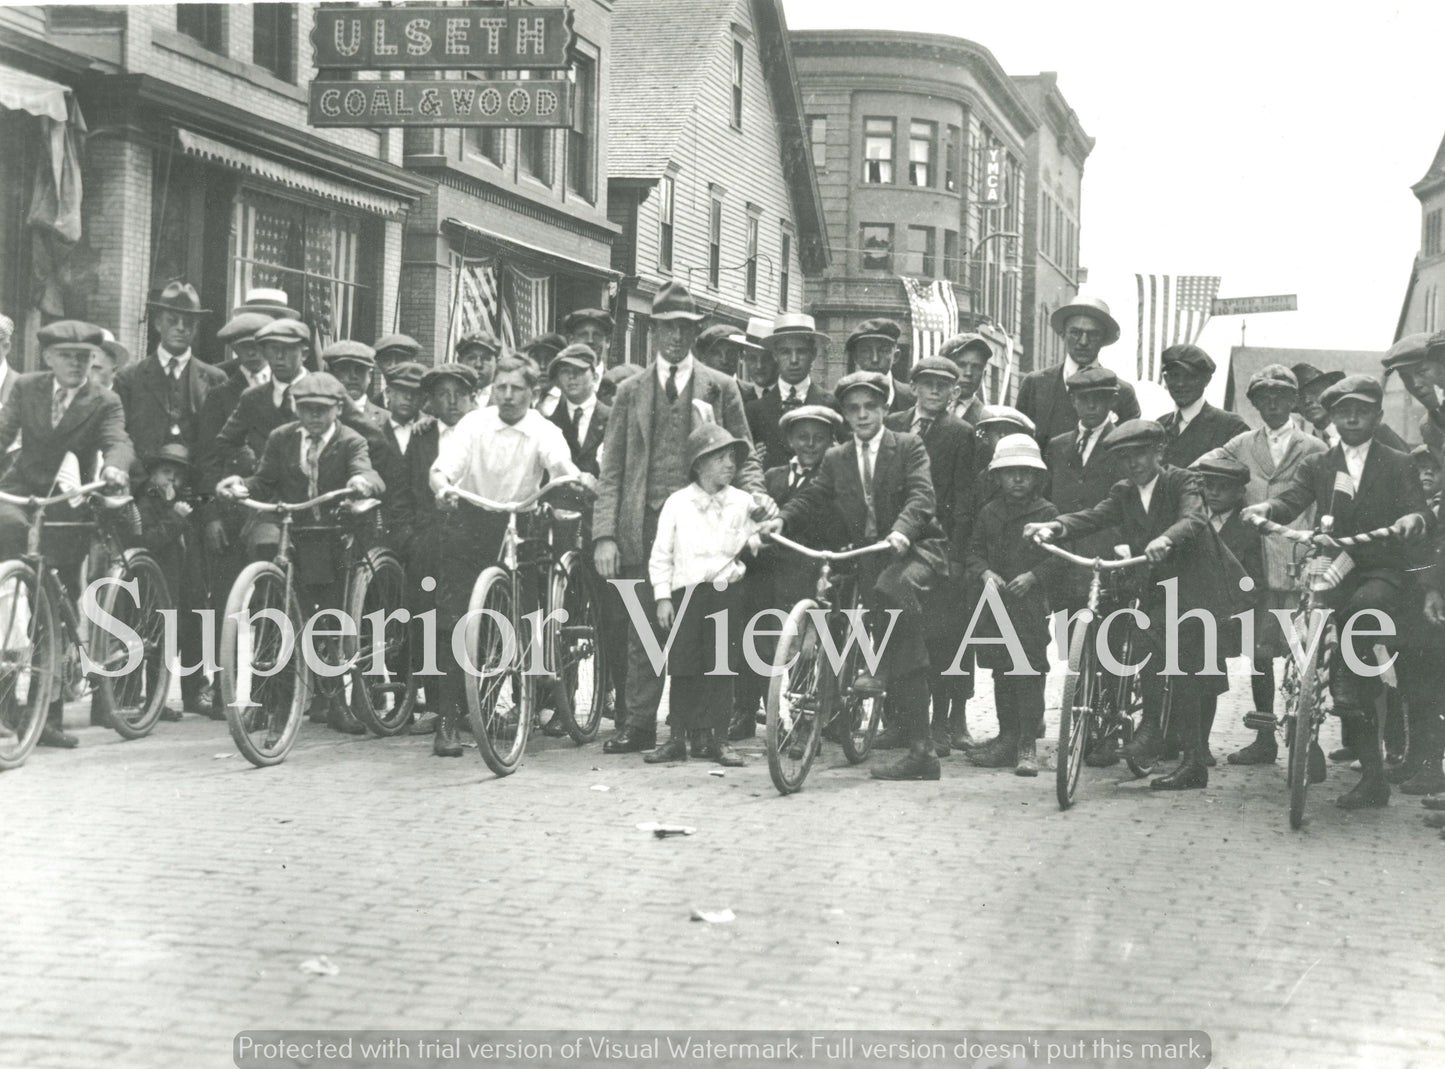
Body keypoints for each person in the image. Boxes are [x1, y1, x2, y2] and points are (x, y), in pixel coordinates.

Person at [593, 282, 771, 755]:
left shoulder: (720, 386)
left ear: (694, 332)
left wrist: (755, 498)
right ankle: (639, 724)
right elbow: (611, 468)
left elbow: (746, 456)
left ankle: (697, 729)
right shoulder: (630, 392)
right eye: (668, 327)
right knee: (644, 627)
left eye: (685, 328)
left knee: (705, 628)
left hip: (706, 527)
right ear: (654, 330)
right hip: (645, 522)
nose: (676, 337)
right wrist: (605, 535)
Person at [1243, 375, 1436, 808]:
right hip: (1337, 559)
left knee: (1364, 614)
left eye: (1362, 410)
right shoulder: (1320, 465)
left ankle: (1370, 771)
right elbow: (1292, 500)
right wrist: (1267, 508)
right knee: (1309, 606)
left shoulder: (1398, 461)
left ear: (1377, 416)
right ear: (1331, 418)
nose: (1351, 418)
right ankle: (1307, 687)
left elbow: (1419, 510)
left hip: (1380, 565)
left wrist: (1413, 520)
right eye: (1343, 411)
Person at [1027, 420, 1248, 791]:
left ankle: (1156, 735)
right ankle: (1188, 758)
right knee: (1179, 665)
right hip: (1161, 586)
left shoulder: (1183, 481)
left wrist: (1165, 538)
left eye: (1141, 456)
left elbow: (1194, 518)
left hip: (1198, 586)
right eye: (1125, 458)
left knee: (1167, 652)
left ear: (1158, 453)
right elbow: (1096, 516)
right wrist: (1057, 527)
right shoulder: (1124, 492)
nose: (1134, 465)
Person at [764, 370, 950, 781]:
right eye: (853, 409)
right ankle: (829, 693)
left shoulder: (907, 445)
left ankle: (921, 748)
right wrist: (782, 519)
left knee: (893, 593)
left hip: (914, 549)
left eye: (870, 407)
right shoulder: (837, 457)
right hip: (867, 555)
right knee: (834, 594)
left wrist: (902, 530)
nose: (862, 415)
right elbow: (814, 496)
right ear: (845, 416)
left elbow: (922, 496)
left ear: (885, 408)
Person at [430, 354, 593, 757]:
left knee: (525, 618)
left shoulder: (544, 430)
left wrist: (573, 480)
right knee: (455, 619)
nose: (507, 395)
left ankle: (527, 703)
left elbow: (560, 465)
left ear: (533, 393)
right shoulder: (473, 424)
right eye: (500, 387)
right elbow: (444, 467)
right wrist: (443, 486)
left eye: (516, 389)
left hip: (521, 525)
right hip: (472, 522)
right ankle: (448, 722)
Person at [215, 372, 384, 736]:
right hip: (292, 533)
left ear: (338, 409)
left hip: (332, 534)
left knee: (331, 620)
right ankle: (269, 705)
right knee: (275, 618)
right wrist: (242, 485)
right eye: (306, 409)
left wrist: (360, 482)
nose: (314, 417)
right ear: (296, 408)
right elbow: (266, 480)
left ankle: (337, 701)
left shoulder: (350, 440)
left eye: (322, 410)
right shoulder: (282, 438)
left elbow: (366, 470)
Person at [0, 320, 135, 747]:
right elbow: (3, 433)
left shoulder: (104, 399)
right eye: (68, 356)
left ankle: (50, 716)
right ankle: (11, 704)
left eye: (84, 357)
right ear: (48, 358)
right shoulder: (28, 388)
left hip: (71, 503)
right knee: (11, 592)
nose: (77, 364)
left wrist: (115, 467)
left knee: (55, 605)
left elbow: (119, 441)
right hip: (24, 493)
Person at [1194, 364, 1327, 766]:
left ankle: (1310, 740)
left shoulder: (1314, 447)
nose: (1272, 404)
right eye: (1263, 398)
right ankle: (1265, 738)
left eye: (1280, 396)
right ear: (1254, 404)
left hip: (1301, 562)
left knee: (1306, 656)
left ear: (1293, 401)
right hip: (1254, 563)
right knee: (1261, 653)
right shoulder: (1240, 445)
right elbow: (1199, 469)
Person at [647, 424, 763, 768]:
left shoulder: (744, 503)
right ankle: (676, 739)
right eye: (720, 458)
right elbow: (661, 554)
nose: (730, 465)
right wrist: (663, 597)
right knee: (683, 667)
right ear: (698, 465)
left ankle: (720, 740)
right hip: (686, 595)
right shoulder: (678, 503)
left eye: (732, 458)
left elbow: (756, 541)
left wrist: (763, 528)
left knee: (722, 669)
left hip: (726, 595)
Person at [729, 403, 845, 742]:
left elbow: (836, 528)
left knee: (804, 643)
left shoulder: (833, 479)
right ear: (791, 440)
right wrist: (753, 541)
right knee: (749, 629)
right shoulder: (773, 477)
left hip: (808, 569)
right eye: (802, 437)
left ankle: (804, 717)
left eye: (818, 438)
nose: (810, 444)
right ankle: (746, 709)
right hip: (767, 568)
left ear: (829, 442)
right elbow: (752, 521)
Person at [885, 355, 976, 754]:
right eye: (927, 383)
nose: (935, 391)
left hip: (938, 547)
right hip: (897, 542)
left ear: (955, 391)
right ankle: (898, 721)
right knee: (893, 630)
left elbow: (965, 499)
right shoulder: (892, 425)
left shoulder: (961, 433)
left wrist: (956, 556)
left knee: (940, 637)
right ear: (914, 386)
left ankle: (940, 722)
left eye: (943, 385)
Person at [964, 434, 1060, 775]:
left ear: (1036, 477)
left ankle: (1027, 744)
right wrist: (986, 571)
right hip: (995, 607)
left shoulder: (1047, 513)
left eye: (1025, 472)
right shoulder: (990, 512)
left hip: (1029, 608)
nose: (1017, 479)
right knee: (1002, 671)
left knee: (1029, 672)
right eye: (1009, 473)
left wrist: (1034, 576)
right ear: (997, 477)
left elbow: (1059, 558)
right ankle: (1006, 737)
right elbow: (973, 552)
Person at [391, 363, 478, 737]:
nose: (453, 401)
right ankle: (438, 705)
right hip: (429, 544)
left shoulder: (481, 432)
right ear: (432, 402)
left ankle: (473, 706)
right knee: (427, 622)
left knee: (469, 623)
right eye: (444, 394)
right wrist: (409, 538)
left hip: (471, 541)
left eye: (460, 393)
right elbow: (404, 492)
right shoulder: (422, 437)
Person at [1190, 455, 1269, 770]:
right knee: (1196, 659)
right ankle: (1193, 743)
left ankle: (1263, 737)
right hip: (1199, 610)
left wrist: (1234, 607)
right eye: (1209, 486)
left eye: (1224, 487)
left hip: (1238, 612)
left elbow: (1255, 580)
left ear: (1240, 493)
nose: (1215, 493)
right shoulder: (1195, 519)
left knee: (1259, 659)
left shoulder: (1249, 528)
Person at [1043, 366, 1126, 620]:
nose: (1091, 406)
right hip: (1064, 559)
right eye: (1083, 399)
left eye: (1099, 399)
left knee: (1107, 641)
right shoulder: (1057, 446)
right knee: (1068, 645)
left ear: (1112, 401)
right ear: (1072, 400)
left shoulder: (1123, 444)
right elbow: (1047, 498)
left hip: (1106, 558)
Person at [1015, 296, 1140, 445]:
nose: (1083, 342)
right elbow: (1019, 442)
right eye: (1075, 332)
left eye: (1093, 334)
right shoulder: (1035, 384)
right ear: (1062, 334)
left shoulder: (1123, 392)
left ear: (1103, 339)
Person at [130, 443, 196, 723]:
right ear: (154, 474)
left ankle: (158, 701)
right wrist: (176, 518)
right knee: (153, 643)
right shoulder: (147, 502)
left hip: (173, 583)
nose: (172, 480)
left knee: (167, 643)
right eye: (167, 472)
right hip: (152, 586)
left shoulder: (173, 502)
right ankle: (148, 702)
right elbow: (147, 541)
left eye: (177, 475)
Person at [746, 312, 838, 469]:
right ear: (775, 355)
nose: (794, 360)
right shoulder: (754, 410)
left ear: (813, 354)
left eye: (801, 351)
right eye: (785, 352)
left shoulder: (831, 405)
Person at [1156, 344, 1249, 469]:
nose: (1180, 384)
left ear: (1206, 380)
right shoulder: (1159, 425)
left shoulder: (1231, 426)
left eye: (1189, 376)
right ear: (1166, 379)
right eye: (1174, 375)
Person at [1293, 361, 1409, 451]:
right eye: (1300, 397)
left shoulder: (1373, 430)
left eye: (1314, 392)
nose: (1308, 401)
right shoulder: (1307, 446)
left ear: (1330, 395)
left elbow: (1411, 469)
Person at [547, 344, 608, 476]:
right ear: (557, 381)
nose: (571, 376)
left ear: (595, 377)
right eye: (564, 371)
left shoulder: (613, 418)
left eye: (579, 370)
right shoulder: (548, 424)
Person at [844, 319, 912, 413]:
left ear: (896, 356)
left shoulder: (913, 397)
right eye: (866, 351)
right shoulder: (841, 399)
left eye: (883, 350)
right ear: (856, 357)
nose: (875, 359)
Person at [942, 332, 992, 427]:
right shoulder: (923, 407)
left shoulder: (987, 421)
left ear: (984, 374)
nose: (968, 373)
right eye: (961, 365)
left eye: (976, 367)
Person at [379, 361, 426, 460]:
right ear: (388, 392)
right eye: (402, 390)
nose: (409, 397)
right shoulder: (374, 428)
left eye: (415, 392)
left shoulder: (429, 429)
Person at [456, 330, 500, 404]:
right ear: (459, 361)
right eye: (471, 358)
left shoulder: (505, 399)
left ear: (497, 363)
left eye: (486, 358)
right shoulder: (449, 399)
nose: (478, 365)